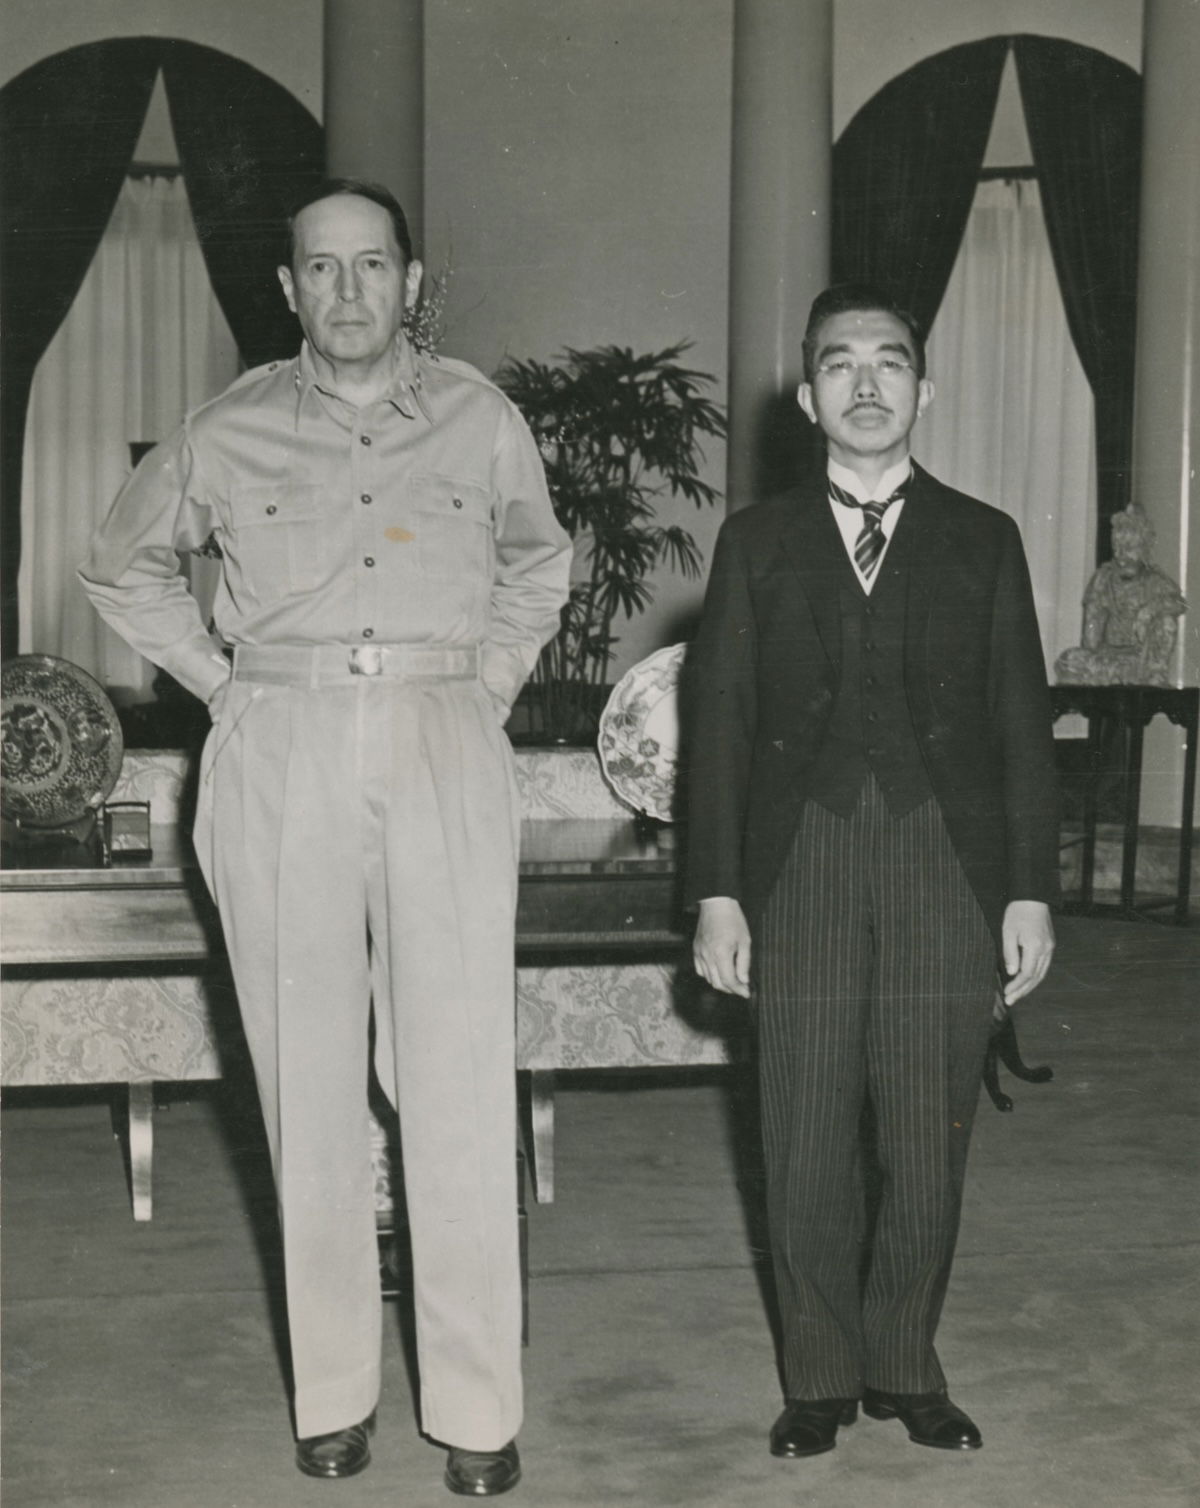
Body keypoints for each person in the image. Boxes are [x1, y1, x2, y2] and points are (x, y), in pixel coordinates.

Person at [80, 179, 571, 1497]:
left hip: (440, 737)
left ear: (412, 283)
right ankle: (337, 1394)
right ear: (288, 290)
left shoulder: (481, 418)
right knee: (302, 1083)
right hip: (280, 742)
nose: (349, 291)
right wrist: (222, 679)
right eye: (322, 269)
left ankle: (475, 1408)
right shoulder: (227, 429)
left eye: (373, 266)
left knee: (458, 1081)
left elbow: (538, 563)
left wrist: (486, 687)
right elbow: (119, 566)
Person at [685, 283, 1058, 1461]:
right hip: (799, 859)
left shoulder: (984, 537)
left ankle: (905, 1359)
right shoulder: (757, 542)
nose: (864, 383)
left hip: (945, 861)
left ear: (923, 388)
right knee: (799, 1130)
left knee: (924, 1130)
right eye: (839, 364)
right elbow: (724, 723)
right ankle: (819, 1372)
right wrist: (717, 891)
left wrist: (1029, 888)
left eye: (888, 362)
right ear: (807, 396)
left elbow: (1019, 722)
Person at [1055, 502, 1187, 686]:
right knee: (1067, 660)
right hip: (1108, 657)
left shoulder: (1153, 580)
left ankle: (1154, 676)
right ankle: (1111, 678)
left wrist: (1149, 610)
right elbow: (1091, 638)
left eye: (1129, 549)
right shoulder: (1104, 577)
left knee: (1167, 622)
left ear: (1144, 549)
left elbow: (1179, 603)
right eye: (1117, 547)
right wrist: (1095, 612)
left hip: (1140, 660)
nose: (1121, 556)